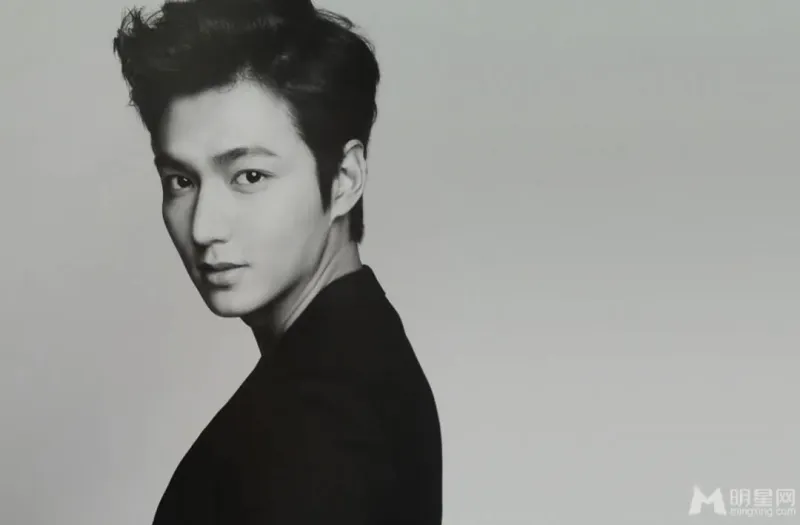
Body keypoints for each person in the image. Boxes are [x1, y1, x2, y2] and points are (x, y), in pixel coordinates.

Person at [111, 0, 443, 523]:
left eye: (249, 176)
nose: (203, 227)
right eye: (182, 180)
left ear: (345, 179)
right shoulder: (354, 360)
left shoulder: (324, 425)